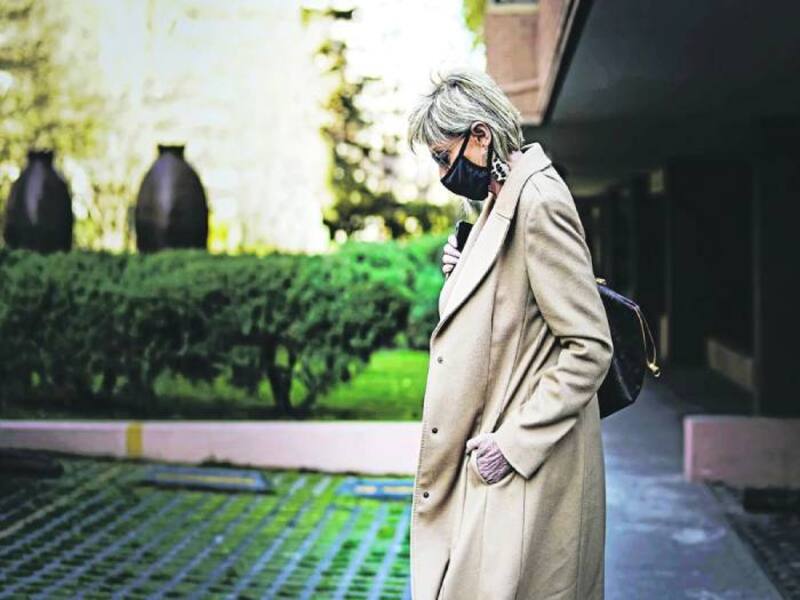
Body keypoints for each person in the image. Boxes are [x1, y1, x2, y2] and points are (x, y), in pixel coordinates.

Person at [405, 67, 614, 600]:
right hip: (490, 461)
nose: (443, 173)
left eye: (443, 157)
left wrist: (513, 445)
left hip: (522, 467)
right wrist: (465, 272)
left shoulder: (539, 200)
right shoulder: (499, 200)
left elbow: (590, 347)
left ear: (480, 136)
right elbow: (511, 311)